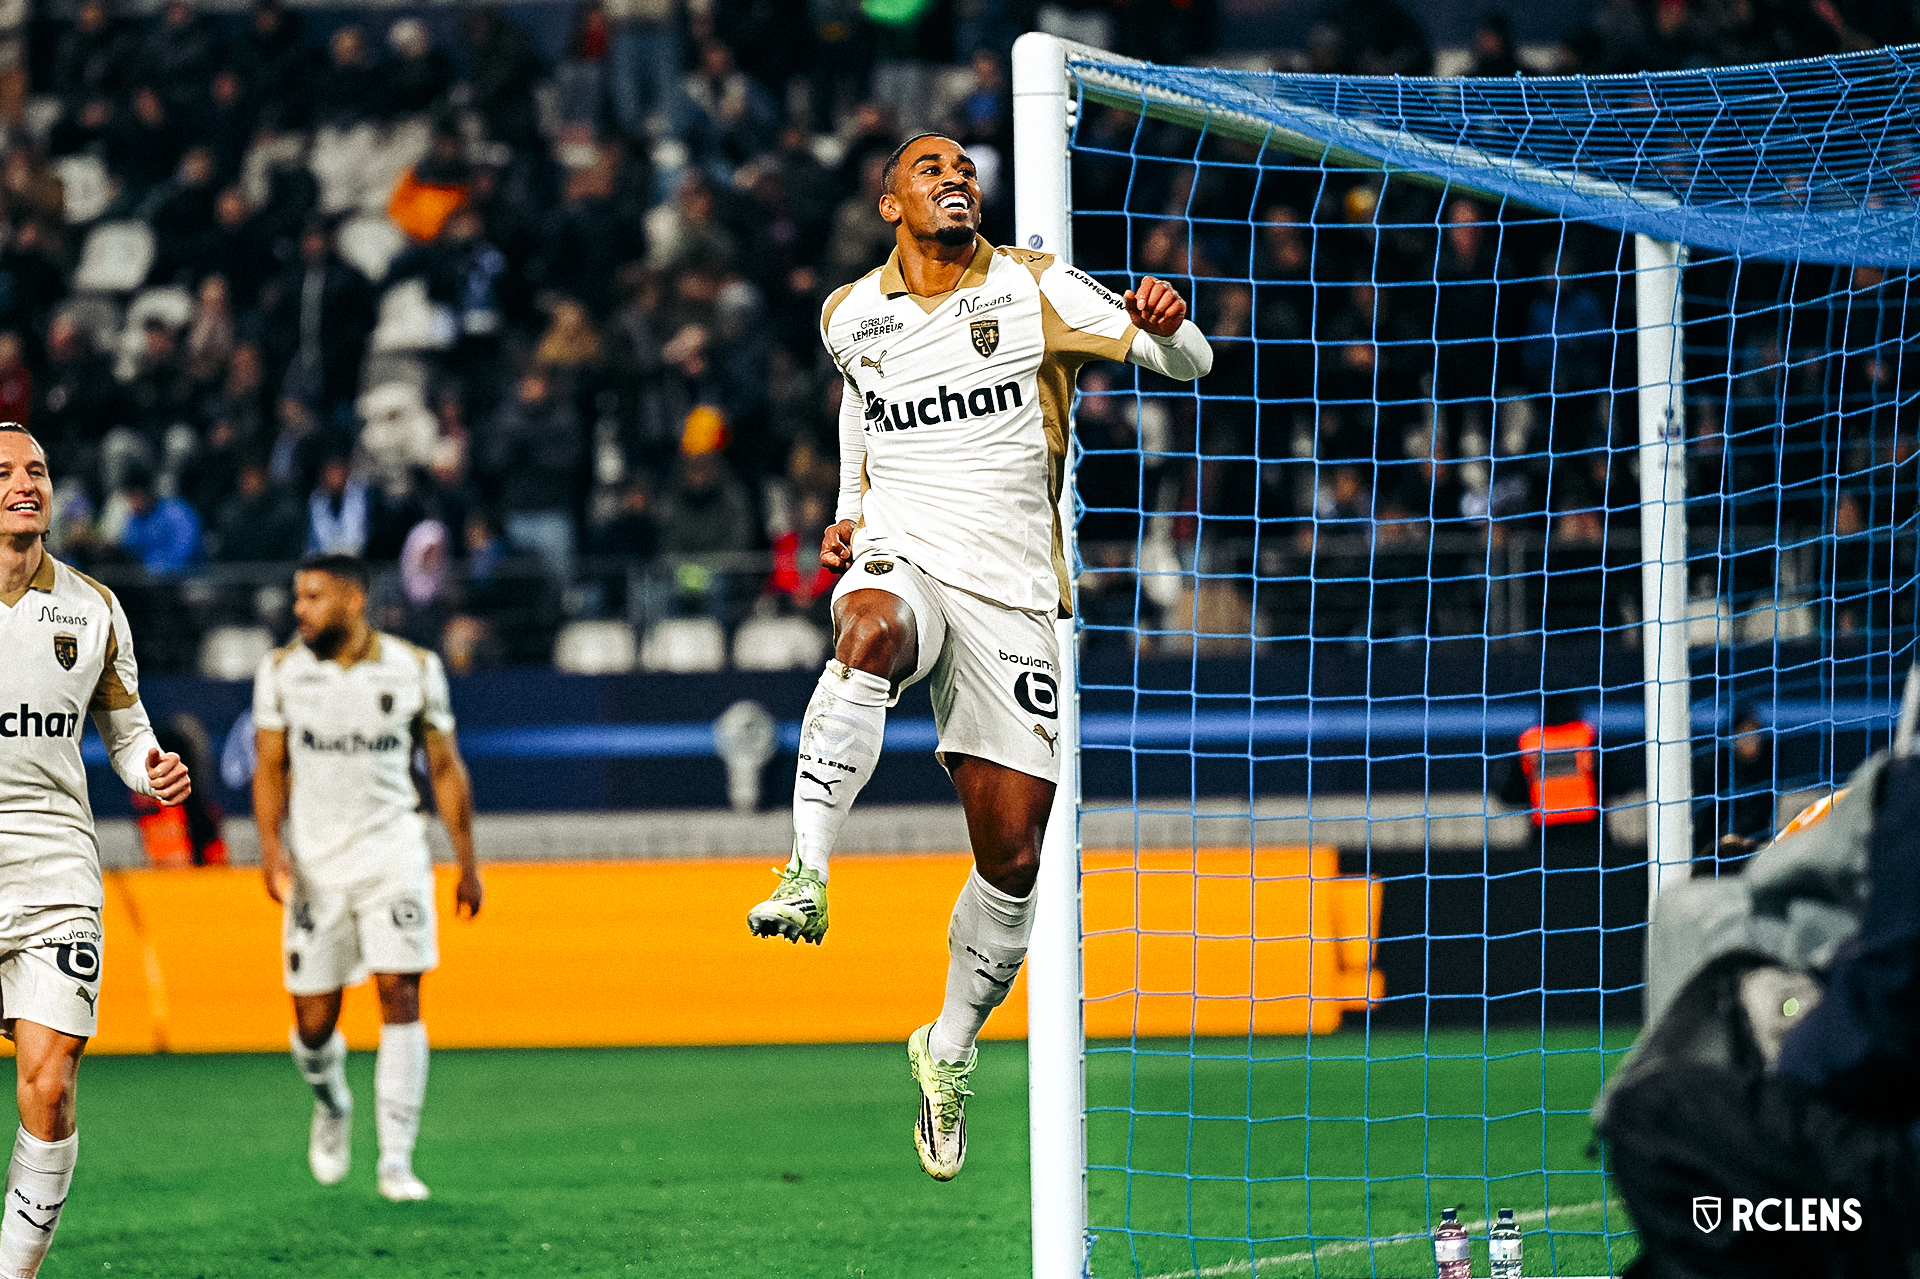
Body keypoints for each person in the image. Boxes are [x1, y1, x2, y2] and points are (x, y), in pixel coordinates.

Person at [743, 133, 1211, 1181]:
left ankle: (947, 1046)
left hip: (1014, 595)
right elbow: (863, 408)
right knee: (864, 627)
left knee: (1011, 856)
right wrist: (848, 518)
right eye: (930, 170)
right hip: (903, 560)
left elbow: (1195, 364)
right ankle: (807, 868)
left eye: (964, 170)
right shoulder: (847, 314)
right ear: (889, 204)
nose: (955, 180)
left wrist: (1171, 333)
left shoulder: (1037, 288)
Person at [0, 421, 191, 1276]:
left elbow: (125, 731)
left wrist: (151, 772)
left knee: (49, 1082)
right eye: (4, 471)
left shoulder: (94, 608)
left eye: (36, 469)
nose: (24, 483)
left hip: (54, 866)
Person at [251, 554, 483, 1201]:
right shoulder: (280, 672)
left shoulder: (413, 668)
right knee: (315, 1020)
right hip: (318, 870)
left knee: (401, 996)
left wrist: (466, 861)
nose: (299, 609)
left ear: (353, 600)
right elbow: (269, 767)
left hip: (394, 855)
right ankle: (331, 1101)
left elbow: (443, 767)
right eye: (298, 596)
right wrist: (272, 850)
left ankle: (397, 1161)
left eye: (313, 597)